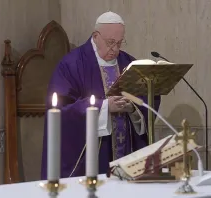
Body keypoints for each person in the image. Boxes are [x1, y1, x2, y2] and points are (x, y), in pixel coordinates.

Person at [41, 11, 161, 179]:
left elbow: (148, 99)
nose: (115, 50)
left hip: (125, 154)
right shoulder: (72, 65)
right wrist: (104, 107)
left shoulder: (129, 64)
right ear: (96, 36)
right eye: (111, 43)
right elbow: (62, 110)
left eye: (119, 43)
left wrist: (133, 107)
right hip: (94, 158)